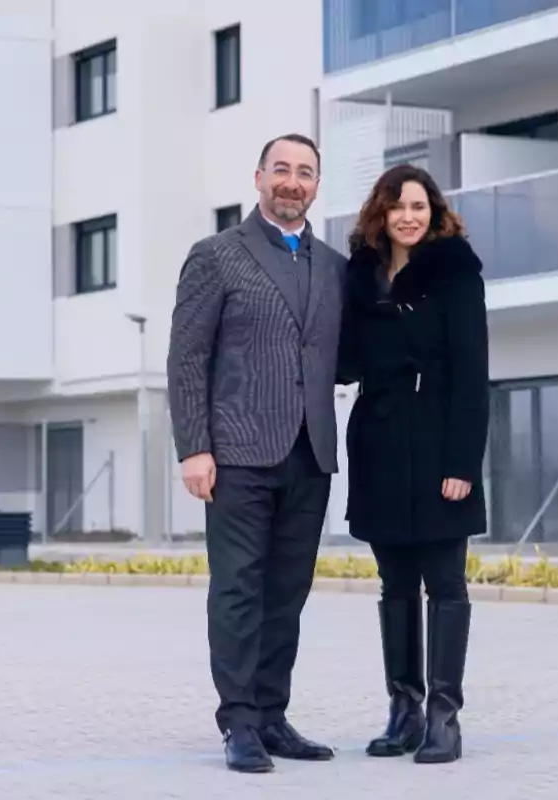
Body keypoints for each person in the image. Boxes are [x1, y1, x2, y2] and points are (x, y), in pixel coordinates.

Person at [167, 133, 347, 774]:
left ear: (317, 185)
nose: (292, 182)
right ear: (259, 178)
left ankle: (272, 715)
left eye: (304, 172)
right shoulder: (217, 255)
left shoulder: (331, 265)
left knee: (287, 593)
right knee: (239, 590)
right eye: (282, 170)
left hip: (309, 454)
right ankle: (238, 722)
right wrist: (195, 448)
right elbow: (188, 357)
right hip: (238, 453)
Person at [336, 164, 489, 764]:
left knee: (445, 583)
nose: (408, 216)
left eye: (419, 206)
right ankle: (405, 711)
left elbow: (472, 371)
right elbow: (344, 361)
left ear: (434, 212)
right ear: (381, 211)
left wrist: (462, 462)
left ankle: (445, 719)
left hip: (438, 444)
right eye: (397, 205)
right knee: (394, 583)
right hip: (377, 443)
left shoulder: (455, 271)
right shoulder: (361, 276)